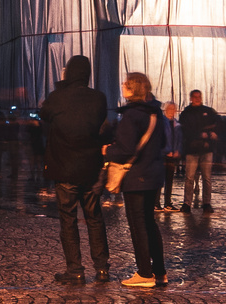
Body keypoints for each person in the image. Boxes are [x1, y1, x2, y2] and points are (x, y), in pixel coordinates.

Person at [39, 54, 111, 285]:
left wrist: (62, 85)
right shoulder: (98, 98)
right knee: (94, 218)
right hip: (90, 169)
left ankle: (76, 270)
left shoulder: (57, 98)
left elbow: (44, 114)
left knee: (68, 220)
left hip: (65, 169)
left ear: (68, 73)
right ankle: (102, 269)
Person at [107, 72, 167, 289]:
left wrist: (107, 151)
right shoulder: (155, 113)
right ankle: (160, 272)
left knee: (137, 224)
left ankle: (144, 273)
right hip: (153, 174)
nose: (123, 86)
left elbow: (125, 149)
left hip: (136, 177)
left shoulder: (132, 115)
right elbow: (163, 142)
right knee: (150, 223)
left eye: (126, 83)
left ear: (133, 88)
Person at [176, 90, 223, 213]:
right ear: (191, 98)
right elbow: (185, 130)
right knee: (190, 177)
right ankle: (188, 203)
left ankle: (205, 203)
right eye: (195, 97)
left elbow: (218, 124)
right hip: (193, 150)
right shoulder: (187, 113)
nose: (197, 99)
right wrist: (203, 134)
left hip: (205, 149)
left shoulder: (207, 111)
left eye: (199, 97)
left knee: (205, 177)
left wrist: (212, 133)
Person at [157, 102, 182, 212]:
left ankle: (167, 203)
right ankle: (156, 203)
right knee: (159, 180)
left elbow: (178, 140)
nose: (172, 111)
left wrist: (177, 150)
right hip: (162, 155)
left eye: (174, 109)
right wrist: (165, 151)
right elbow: (159, 140)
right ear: (166, 110)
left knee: (169, 180)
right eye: (170, 108)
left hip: (172, 155)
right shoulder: (162, 123)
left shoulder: (176, 124)